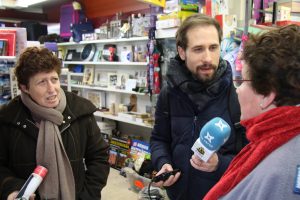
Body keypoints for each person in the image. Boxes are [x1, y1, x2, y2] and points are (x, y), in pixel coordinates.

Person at [150, 13, 246, 200]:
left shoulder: (237, 97)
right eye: (198, 49)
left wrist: (220, 164)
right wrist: (163, 163)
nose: (208, 58)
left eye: (213, 47)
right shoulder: (169, 93)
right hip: (178, 194)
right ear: (182, 52)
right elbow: (159, 139)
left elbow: (252, 157)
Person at [204, 24, 300, 200]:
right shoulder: (274, 140)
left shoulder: (281, 171)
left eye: (242, 80)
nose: (238, 89)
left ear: (267, 95)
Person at [0, 47, 110, 200]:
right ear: (25, 88)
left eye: (54, 79)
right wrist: (11, 188)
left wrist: (88, 194)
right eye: (42, 82)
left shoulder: (80, 111)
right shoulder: (8, 119)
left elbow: (99, 156)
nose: (52, 89)